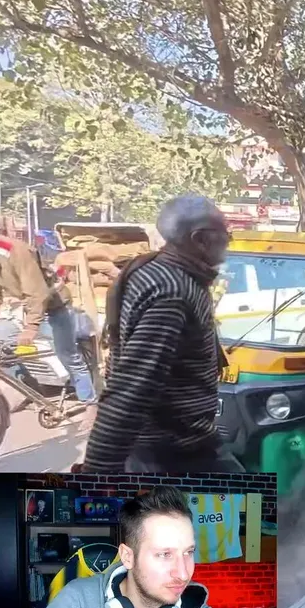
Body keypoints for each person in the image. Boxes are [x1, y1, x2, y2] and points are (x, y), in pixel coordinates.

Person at [82, 196, 243, 472]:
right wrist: (98, 471)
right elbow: (133, 386)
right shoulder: (173, 292)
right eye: (225, 234)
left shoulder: (163, 271)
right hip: (171, 453)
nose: (228, 241)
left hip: (180, 443)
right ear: (200, 239)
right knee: (246, 500)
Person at [13, 486, 233, 608]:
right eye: (164, 554)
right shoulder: (76, 601)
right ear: (128, 557)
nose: (183, 573)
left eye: (188, 552)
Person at [0, 218, 96, 402]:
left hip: (55, 306)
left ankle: (89, 402)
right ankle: (36, 395)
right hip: (26, 306)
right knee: (0, 350)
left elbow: (37, 292)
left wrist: (31, 327)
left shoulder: (14, 250)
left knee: (67, 355)